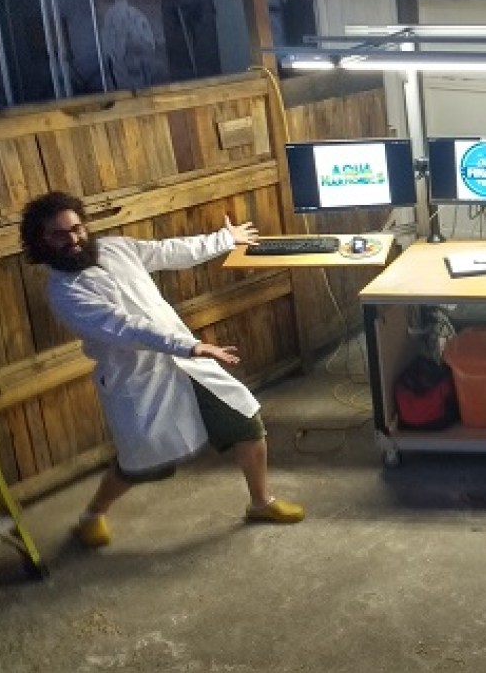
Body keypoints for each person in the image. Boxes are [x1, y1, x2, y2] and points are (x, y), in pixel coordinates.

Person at [20, 191, 304, 548]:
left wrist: (224, 239)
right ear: (41, 242)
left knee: (246, 420)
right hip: (140, 377)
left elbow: (169, 251)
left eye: (77, 228)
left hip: (187, 360)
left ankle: (261, 503)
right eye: (59, 235)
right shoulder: (66, 293)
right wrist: (189, 345)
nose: (73, 239)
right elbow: (125, 327)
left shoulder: (114, 248)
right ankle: (92, 515)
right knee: (141, 465)